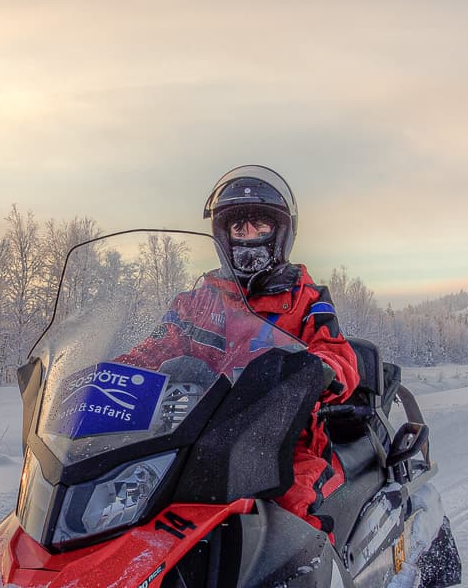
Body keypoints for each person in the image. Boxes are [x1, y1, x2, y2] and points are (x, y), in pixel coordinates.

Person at [123, 165, 360, 538]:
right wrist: (101, 374)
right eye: (239, 228)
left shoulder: (308, 298)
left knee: (292, 516)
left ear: (279, 234)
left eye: (259, 227)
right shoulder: (196, 301)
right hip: (193, 437)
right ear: (224, 235)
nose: (249, 238)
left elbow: (339, 355)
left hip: (284, 440)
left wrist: (317, 369)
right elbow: (154, 349)